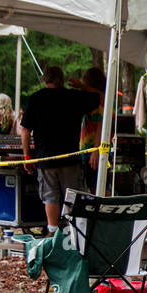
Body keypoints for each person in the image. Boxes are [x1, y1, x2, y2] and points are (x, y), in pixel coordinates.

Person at [19, 65, 101, 231]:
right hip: (70, 158)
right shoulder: (74, 96)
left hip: (45, 159)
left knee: (50, 197)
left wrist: (27, 157)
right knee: (72, 196)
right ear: (62, 80)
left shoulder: (35, 99)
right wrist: (82, 86)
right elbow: (99, 97)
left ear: (45, 80)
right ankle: (73, 232)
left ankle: (53, 231)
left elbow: (25, 130)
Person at [74, 67, 105, 192]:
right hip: (87, 148)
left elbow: (100, 125)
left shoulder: (100, 99)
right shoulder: (94, 98)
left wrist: (96, 150)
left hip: (94, 148)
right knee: (90, 185)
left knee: (96, 187)